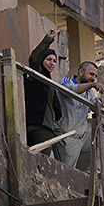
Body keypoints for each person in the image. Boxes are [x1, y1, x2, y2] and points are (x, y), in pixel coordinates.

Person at [55, 61, 104, 171]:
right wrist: (92, 85)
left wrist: (100, 103)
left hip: (82, 137)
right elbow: (71, 90)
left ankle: (92, 174)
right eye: (91, 74)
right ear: (81, 72)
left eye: (95, 76)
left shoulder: (89, 93)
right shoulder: (66, 81)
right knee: (65, 173)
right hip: (67, 137)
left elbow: (95, 107)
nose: (93, 78)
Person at [24, 28, 61, 156]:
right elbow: (34, 58)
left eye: (54, 61)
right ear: (42, 60)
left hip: (45, 128)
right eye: (49, 59)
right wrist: (48, 39)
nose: (52, 63)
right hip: (39, 127)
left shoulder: (48, 81)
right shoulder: (37, 73)